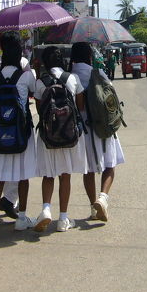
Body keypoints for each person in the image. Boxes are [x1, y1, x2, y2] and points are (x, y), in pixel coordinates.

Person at [0, 37, 37, 238]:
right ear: (19, 55)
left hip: (0, 135)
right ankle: (21, 218)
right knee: (23, 177)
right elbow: (33, 95)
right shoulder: (26, 76)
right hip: (22, 133)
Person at [33, 46, 87, 233]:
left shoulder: (41, 82)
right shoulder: (73, 79)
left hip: (48, 136)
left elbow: (40, 109)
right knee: (65, 176)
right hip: (69, 135)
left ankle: (46, 209)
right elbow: (80, 108)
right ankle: (63, 219)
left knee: (49, 175)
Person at [69, 42, 125, 222]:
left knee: (88, 170)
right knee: (110, 165)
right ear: (89, 56)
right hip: (103, 127)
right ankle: (103, 198)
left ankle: (93, 206)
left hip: (83, 130)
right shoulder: (98, 73)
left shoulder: (70, 76)